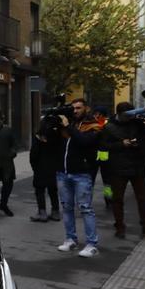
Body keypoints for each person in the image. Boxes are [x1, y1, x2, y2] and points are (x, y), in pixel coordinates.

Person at [100, 102, 145, 239]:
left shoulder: (139, 124)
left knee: (143, 199)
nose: (129, 117)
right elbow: (103, 146)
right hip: (118, 168)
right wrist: (121, 144)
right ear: (119, 114)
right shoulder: (108, 127)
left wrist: (139, 144)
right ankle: (119, 227)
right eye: (126, 115)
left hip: (138, 166)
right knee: (117, 199)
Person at [55, 98, 102, 257]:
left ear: (86, 108)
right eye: (73, 108)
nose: (75, 111)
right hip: (63, 172)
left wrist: (68, 126)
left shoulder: (93, 125)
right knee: (67, 208)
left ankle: (91, 243)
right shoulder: (68, 125)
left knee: (85, 209)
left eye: (78, 108)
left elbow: (84, 142)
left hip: (82, 173)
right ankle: (70, 239)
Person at [28, 114, 63, 222]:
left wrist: (34, 166)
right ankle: (55, 211)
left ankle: (42, 212)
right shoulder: (57, 136)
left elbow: (33, 154)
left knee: (40, 190)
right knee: (53, 190)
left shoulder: (39, 137)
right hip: (53, 167)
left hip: (40, 167)